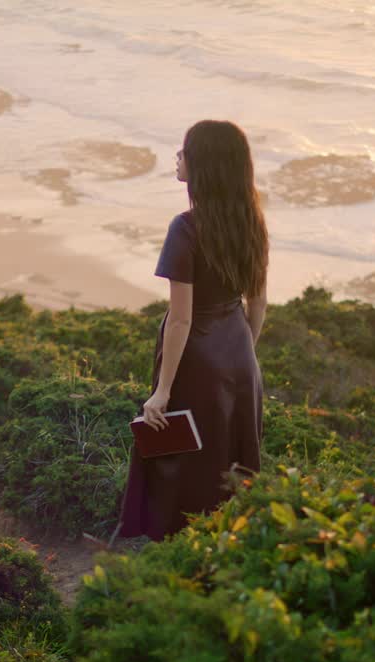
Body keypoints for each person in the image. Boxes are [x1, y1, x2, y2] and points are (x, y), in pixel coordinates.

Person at [116, 119, 268, 541]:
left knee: (181, 455)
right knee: (228, 462)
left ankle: (175, 544)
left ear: (202, 164)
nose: (177, 159)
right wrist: (242, 355)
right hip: (240, 358)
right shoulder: (253, 221)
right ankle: (225, 543)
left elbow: (182, 318)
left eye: (184, 152)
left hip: (196, 360)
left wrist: (162, 391)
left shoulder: (186, 228)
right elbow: (257, 302)